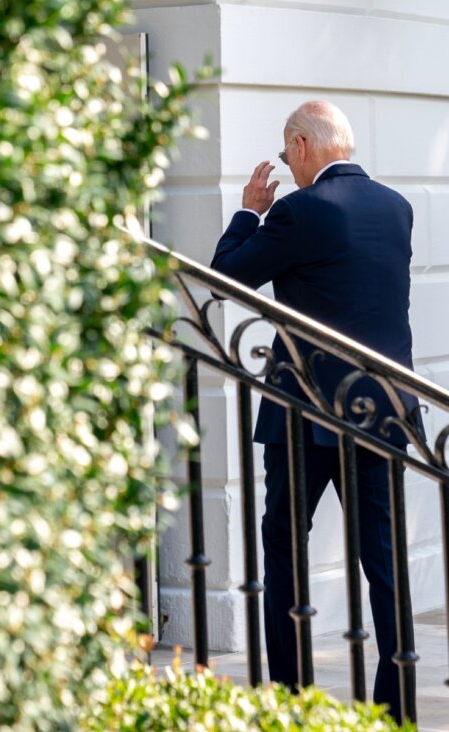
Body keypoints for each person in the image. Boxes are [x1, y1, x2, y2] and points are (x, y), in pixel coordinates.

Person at [209, 100, 418, 722]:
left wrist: (250, 210)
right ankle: (395, 705)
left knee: (284, 550)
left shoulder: (301, 210)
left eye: (284, 153)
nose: (286, 166)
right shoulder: (397, 208)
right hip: (386, 412)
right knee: (385, 560)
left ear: (303, 146)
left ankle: (291, 697)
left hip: (306, 414)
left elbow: (225, 277)